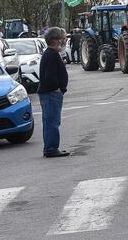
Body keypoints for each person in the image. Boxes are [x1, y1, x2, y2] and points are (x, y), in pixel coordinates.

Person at [38, 27, 69, 158]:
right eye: (62, 38)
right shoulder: (51, 55)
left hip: (49, 93)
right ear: (55, 40)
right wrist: (58, 88)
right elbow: (50, 77)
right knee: (52, 122)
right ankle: (51, 148)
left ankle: (49, 147)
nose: (64, 41)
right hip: (51, 93)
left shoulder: (50, 53)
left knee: (49, 121)